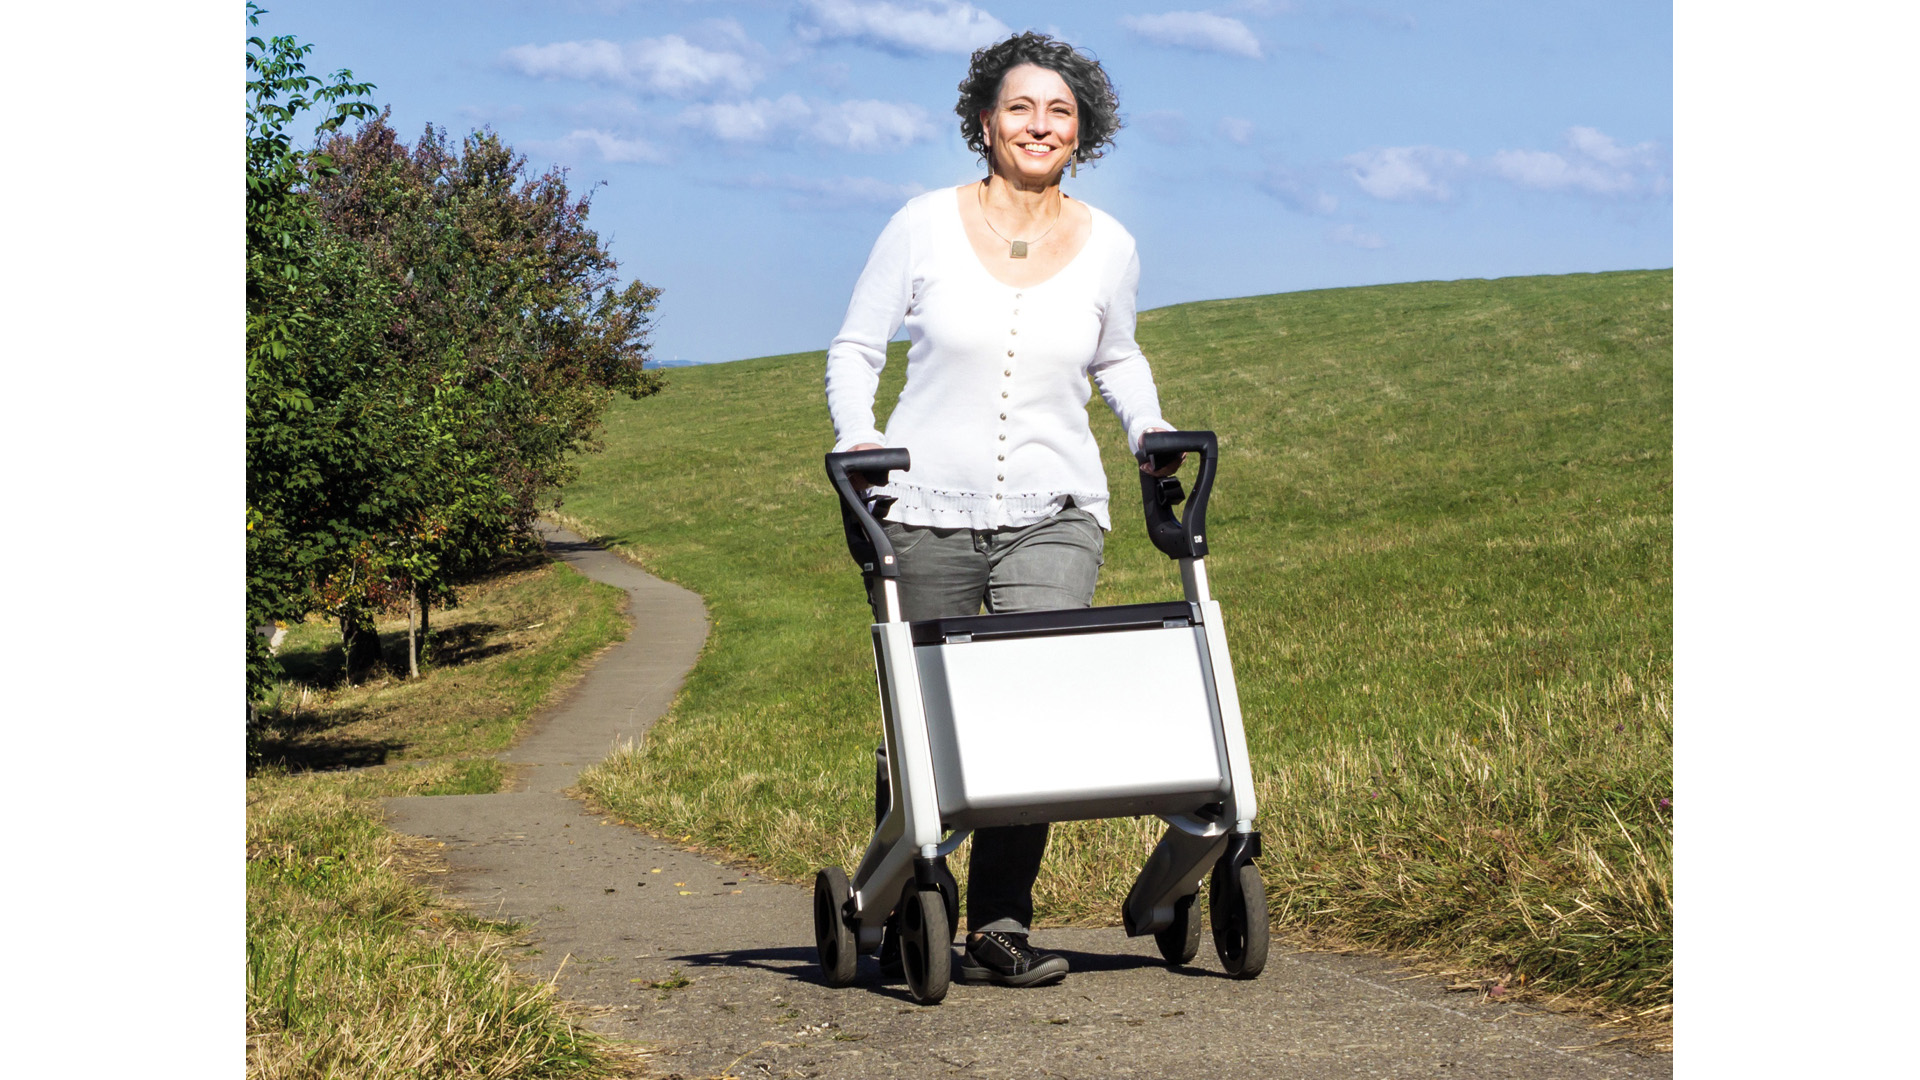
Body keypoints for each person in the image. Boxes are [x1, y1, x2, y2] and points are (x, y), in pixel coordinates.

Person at [823, 31, 1180, 989]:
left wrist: (1147, 424)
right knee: (926, 721)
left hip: (1054, 505)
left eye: (1059, 112)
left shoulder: (1111, 244)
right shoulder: (921, 225)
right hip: (920, 505)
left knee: (1033, 719)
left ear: (1082, 133)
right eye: (1021, 108)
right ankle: (908, 893)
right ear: (984, 123)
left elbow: (1119, 355)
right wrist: (858, 434)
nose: (1040, 125)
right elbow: (856, 347)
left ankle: (999, 925)